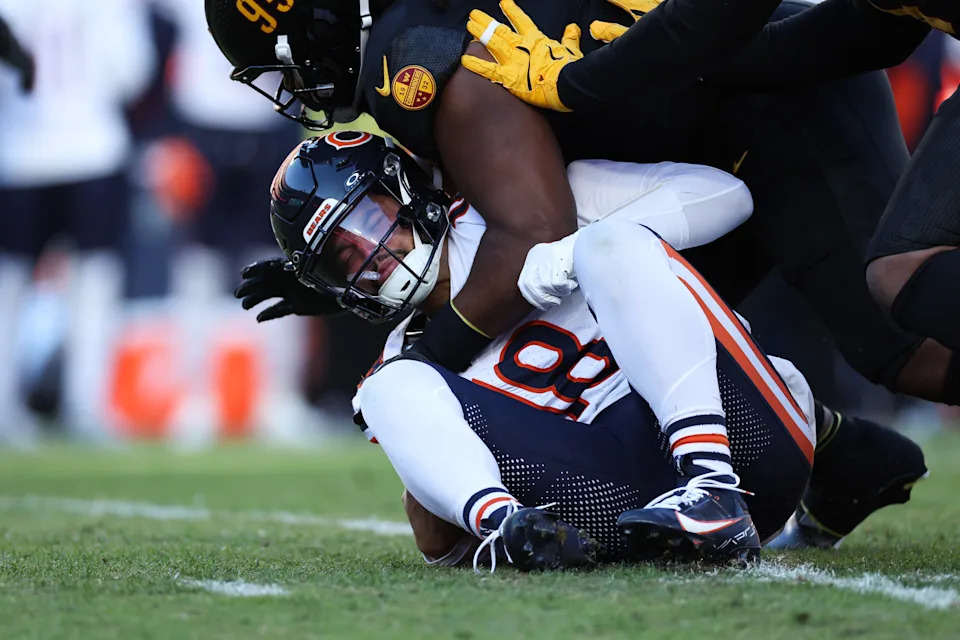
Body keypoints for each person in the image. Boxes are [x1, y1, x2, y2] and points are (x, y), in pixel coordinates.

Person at [209, 0, 933, 550]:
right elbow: (481, 206)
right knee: (593, 340)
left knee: (913, 345)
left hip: (778, 100)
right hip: (698, 143)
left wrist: (428, 363)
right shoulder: (404, 41)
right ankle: (837, 453)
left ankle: (799, 451)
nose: (293, 85)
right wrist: (352, 273)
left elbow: (534, 228)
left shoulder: (404, 52)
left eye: (281, 60)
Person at [250, 131, 824, 568]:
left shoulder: (530, 205)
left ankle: (712, 484)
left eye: (368, 219)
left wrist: (571, 250)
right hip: (625, 507)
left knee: (612, 242)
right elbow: (436, 545)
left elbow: (727, 196)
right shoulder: (411, 361)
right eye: (341, 257)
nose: (369, 252)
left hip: (749, 445)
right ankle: (510, 533)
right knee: (384, 385)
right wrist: (439, 492)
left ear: (405, 187)